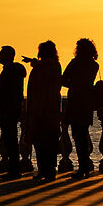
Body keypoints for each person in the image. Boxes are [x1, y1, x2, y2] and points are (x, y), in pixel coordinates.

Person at [62, 38, 103, 176]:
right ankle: (85, 166)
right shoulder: (94, 65)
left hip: (75, 101)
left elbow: (63, 79)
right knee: (83, 134)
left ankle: (83, 168)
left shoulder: (75, 63)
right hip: (87, 102)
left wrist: (73, 85)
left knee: (77, 135)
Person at [23, 42, 62, 181]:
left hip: (40, 110)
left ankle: (44, 171)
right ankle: (49, 171)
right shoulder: (56, 66)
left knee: (40, 143)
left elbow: (42, 72)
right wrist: (33, 62)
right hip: (52, 110)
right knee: (49, 143)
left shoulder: (43, 67)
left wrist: (34, 62)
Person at [0, 47, 25, 175]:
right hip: (11, 109)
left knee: (11, 140)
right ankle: (14, 169)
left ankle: (14, 170)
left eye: (0, 54)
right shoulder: (12, 71)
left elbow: (8, 92)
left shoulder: (10, 71)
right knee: (11, 140)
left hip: (8, 110)